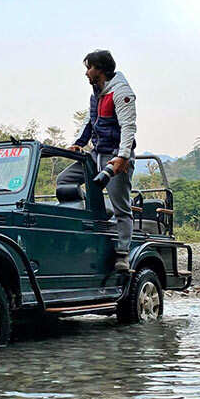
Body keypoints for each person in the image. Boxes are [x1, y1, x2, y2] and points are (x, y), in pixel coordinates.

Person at [57, 50, 136, 271]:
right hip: (96, 153)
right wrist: (79, 143)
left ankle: (123, 253)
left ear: (100, 69)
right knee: (65, 181)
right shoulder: (96, 93)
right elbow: (89, 121)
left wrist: (122, 157)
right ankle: (96, 213)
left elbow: (129, 127)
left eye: (89, 68)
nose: (86, 73)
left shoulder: (121, 93)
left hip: (115, 155)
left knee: (121, 207)